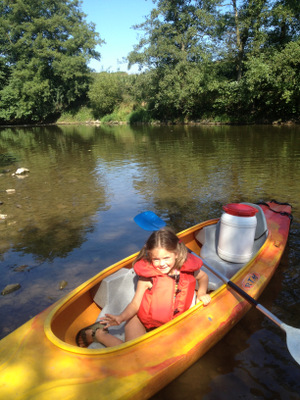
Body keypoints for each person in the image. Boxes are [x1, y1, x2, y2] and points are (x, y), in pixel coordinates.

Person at [76, 227, 211, 348]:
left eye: (166, 258)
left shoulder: (188, 270)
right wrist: (121, 317)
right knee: (130, 352)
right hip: (141, 320)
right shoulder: (147, 277)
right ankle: (99, 334)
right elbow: (135, 304)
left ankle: (101, 335)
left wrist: (201, 293)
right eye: (156, 259)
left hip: (170, 323)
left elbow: (203, 277)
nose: (162, 264)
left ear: (176, 253)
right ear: (150, 256)